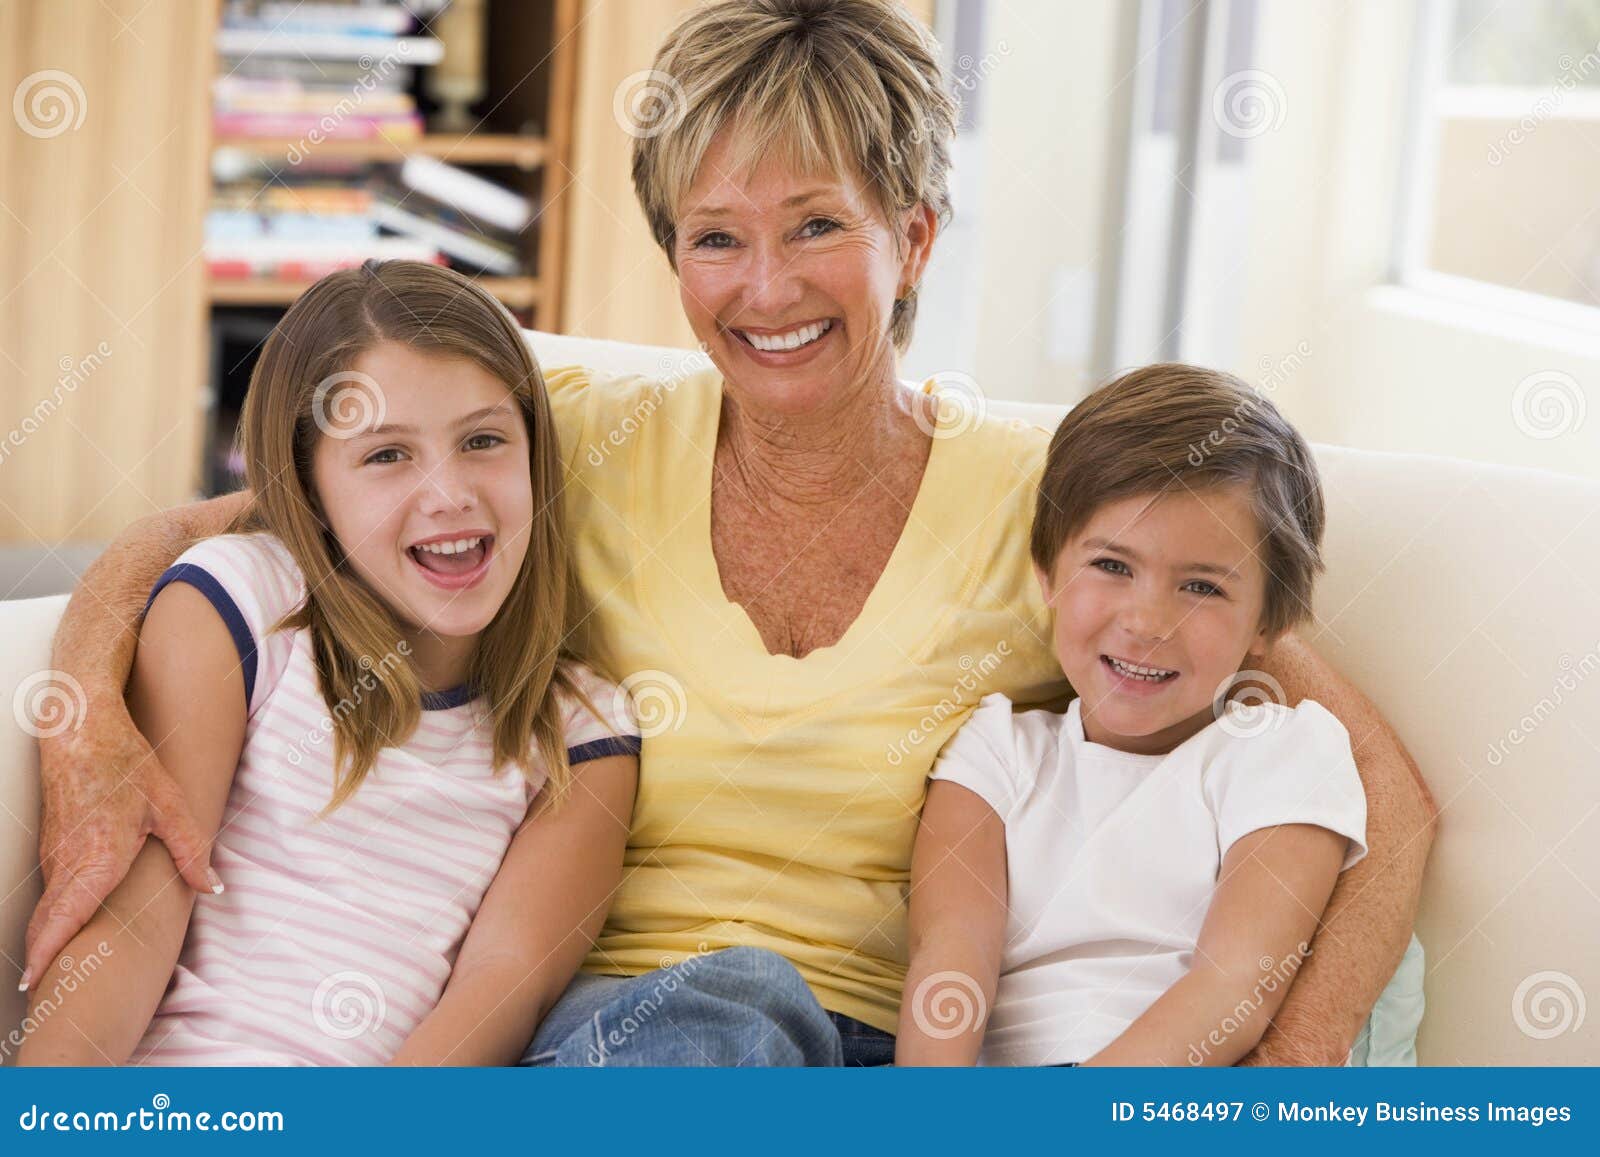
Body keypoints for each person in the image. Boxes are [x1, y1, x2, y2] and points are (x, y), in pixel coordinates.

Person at [26, 0, 1435, 1066]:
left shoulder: (1053, 501)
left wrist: (1283, 1077)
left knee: (753, 1012)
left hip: (891, 1053)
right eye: (715, 237)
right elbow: (230, 516)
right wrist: (86, 719)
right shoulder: (565, 433)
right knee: (714, 1020)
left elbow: (1381, 780)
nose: (766, 288)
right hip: (613, 1044)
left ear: (917, 236)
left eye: (817, 224)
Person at [18, 262, 641, 1065]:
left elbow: (504, 985)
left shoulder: (585, 727)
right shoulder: (242, 603)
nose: (448, 494)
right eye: (387, 456)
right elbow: (130, 931)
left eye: (483, 440)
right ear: (309, 490)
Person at [897, 365, 1367, 1066]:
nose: (1148, 621)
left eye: (1202, 585)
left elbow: (1234, 985)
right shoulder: (993, 751)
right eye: (1113, 566)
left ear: (1270, 620)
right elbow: (949, 958)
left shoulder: (1285, 749)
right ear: (1048, 572)